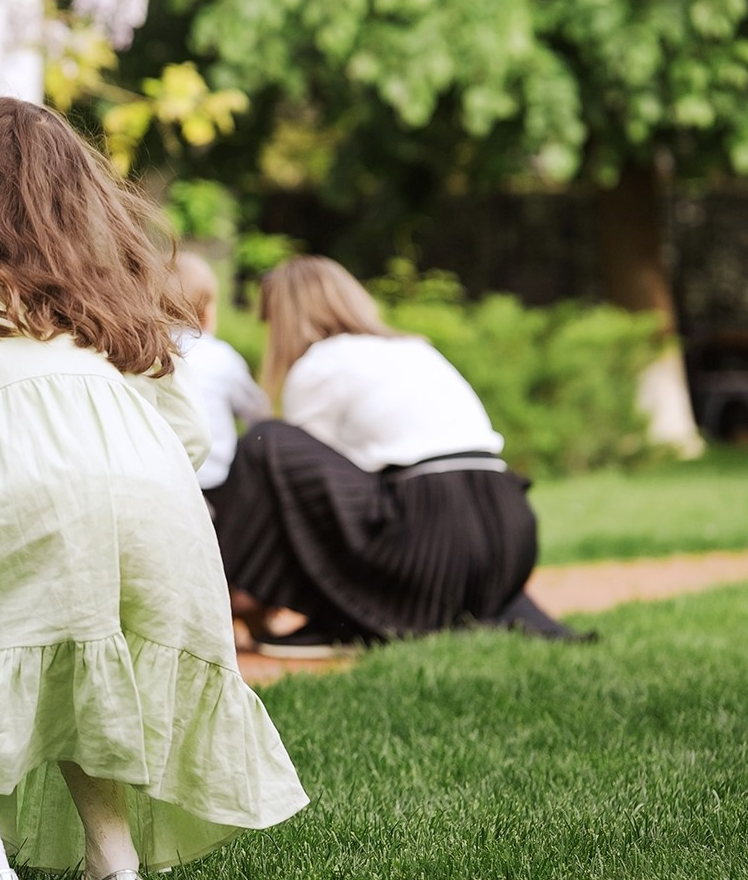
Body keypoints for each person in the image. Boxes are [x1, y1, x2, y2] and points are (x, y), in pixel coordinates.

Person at [0, 99, 308, 880]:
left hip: (33, 494)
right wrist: (137, 489)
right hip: (162, 501)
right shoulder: (100, 298)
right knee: (88, 673)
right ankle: (114, 873)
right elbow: (186, 426)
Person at [208, 255, 577, 658]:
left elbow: (296, 501)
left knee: (268, 442)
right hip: (507, 537)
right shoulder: (414, 349)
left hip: (434, 538)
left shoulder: (319, 364)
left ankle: (330, 617)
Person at [172, 253, 272, 493]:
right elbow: (259, 413)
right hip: (214, 483)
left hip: (162, 482)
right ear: (206, 313)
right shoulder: (220, 356)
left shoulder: (142, 354)